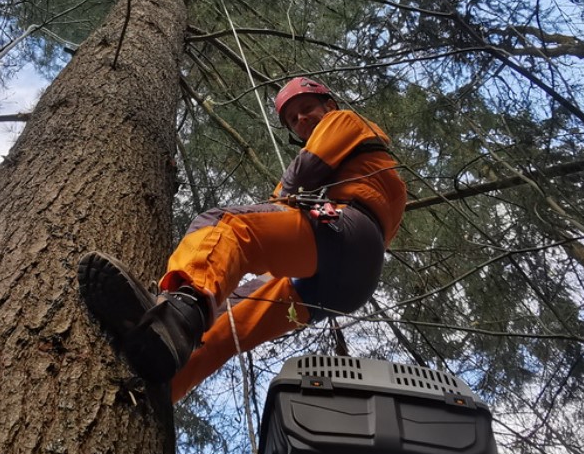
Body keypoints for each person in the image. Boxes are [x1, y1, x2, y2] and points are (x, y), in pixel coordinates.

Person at [78, 76, 406, 400]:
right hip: (348, 279)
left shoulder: (344, 120)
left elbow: (303, 173)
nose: (301, 119)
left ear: (329, 105)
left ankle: (177, 311)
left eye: (307, 108)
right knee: (231, 321)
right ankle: (158, 388)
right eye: (293, 119)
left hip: (346, 226)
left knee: (225, 225)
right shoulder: (354, 171)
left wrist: (277, 206)